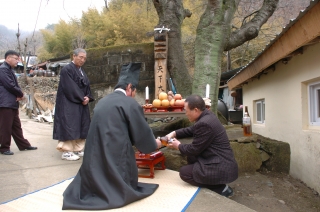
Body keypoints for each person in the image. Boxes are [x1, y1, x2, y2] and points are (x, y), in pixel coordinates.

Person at [62, 62, 162, 210]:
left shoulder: (102, 102)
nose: (134, 95)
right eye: (134, 92)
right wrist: (156, 143)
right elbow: (141, 135)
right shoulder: (129, 103)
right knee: (122, 156)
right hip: (115, 157)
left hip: (92, 158)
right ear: (129, 87)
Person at [166, 95, 238, 197]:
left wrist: (178, 145)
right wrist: (174, 133)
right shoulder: (207, 116)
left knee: (184, 173)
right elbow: (190, 130)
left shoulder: (205, 123)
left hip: (220, 165)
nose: (185, 113)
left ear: (195, 110)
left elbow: (194, 149)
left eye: (186, 110)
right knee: (191, 158)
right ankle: (214, 181)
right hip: (219, 159)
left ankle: (221, 188)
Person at [53, 48, 94, 161]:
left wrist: (88, 97)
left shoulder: (80, 70)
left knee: (81, 124)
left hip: (80, 102)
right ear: (74, 56)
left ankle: (77, 148)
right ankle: (67, 151)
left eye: (84, 58)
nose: (82, 60)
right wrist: (81, 98)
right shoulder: (67, 69)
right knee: (70, 124)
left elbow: (87, 86)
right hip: (68, 102)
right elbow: (70, 87)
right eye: (81, 57)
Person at [0, 50, 38, 155]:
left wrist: (19, 95)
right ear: (8, 58)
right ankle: (4, 148)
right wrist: (21, 94)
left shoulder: (9, 70)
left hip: (11, 102)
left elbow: (13, 85)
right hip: (5, 102)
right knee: (6, 126)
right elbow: (10, 85)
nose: (17, 61)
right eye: (16, 59)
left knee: (16, 126)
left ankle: (23, 145)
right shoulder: (3, 69)